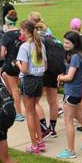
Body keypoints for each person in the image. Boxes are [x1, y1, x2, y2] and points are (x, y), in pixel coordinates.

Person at [56, 31, 82, 159]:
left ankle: (70, 150)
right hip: (78, 91)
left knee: (68, 121)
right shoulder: (80, 55)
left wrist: (61, 78)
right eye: (64, 42)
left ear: (75, 43)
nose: (65, 45)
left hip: (72, 92)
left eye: (68, 43)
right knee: (79, 116)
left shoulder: (75, 57)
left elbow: (70, 76)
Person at [17, 19, 48, 155]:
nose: (20, 32)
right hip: (39, 80)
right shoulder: (40, 44)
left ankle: (34, 145)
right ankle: (40, 141)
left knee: (29, 113)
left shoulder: (24, 47)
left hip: (29, 80)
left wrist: (17, 63)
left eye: (21, 30)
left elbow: (24, 69)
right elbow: (45, 66)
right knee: (34, 111)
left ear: (26, 31)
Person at [1, 10, 25, 122]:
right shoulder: (22, 33)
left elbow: (2, 53)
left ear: (7, 23)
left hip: (11, 63)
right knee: (17, 87)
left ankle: (18, 113)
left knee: (15, 89)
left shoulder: (7, 35)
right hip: (22, 62)